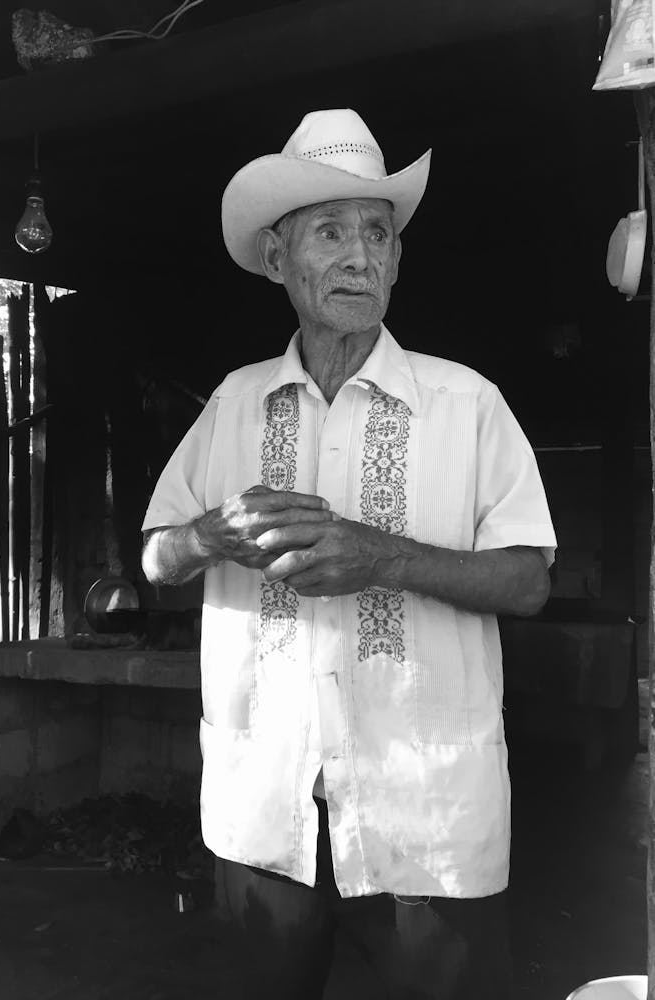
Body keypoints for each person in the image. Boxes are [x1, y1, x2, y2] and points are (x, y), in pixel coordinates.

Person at [141, 108, 556, 1000]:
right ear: (278, 260)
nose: (361, 255)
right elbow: (154, 557)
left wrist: (384, 559)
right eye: (330, 231)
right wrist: (211, 535)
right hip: (268, 810)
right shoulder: (236, 403)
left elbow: (529, 581)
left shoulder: (467, 403)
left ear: (400, 261)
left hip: (427, 816)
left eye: (378, 232)